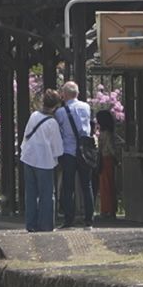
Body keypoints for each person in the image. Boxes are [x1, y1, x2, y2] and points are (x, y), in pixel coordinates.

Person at [20, 89, 63, 232]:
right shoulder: (52, 123)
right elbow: (57, 148)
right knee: (46, 195)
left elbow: (26, 135)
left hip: (28, 157)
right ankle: (46, 225)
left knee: (31, 193)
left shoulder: (34, 116)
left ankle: (31, 224)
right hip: (44, 161)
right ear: (56, 106)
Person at [54, 81, 95, 229]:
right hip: (84, 151)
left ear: (64, 95)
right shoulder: (86, 107)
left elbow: (59, 130)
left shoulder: (60, 112)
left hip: (68, 152)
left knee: (68, 187)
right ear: (77, 93)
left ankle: (68, 220)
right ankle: (89, 220)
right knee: (87, 185)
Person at [94, 106, 118, 219]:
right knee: (110, 184)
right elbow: (111, 148)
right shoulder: (109, 132)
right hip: (109, 159)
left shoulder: (104, 133)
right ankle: (111, 209)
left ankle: (106, 209)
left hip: (105, 158)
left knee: (105, 185)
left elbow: (106, 147)